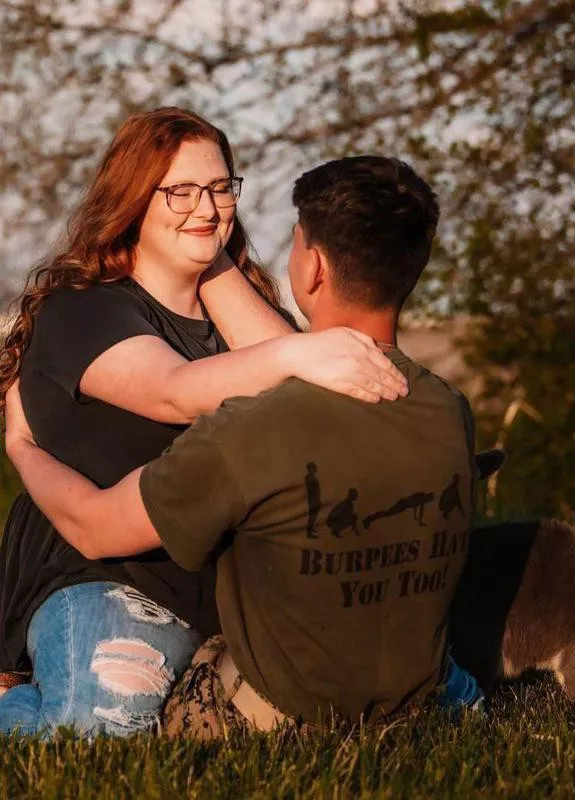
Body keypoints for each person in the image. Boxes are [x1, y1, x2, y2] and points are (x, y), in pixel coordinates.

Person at [5, 156, 483, 739]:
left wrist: (22, 445)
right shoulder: (448, 410)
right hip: (408, 689)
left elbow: (99, 525)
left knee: (96, 728)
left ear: (311, 267)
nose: (206, 207)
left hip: (275, 702)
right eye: (181, 191)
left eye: (217, 190)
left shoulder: (252, 427)